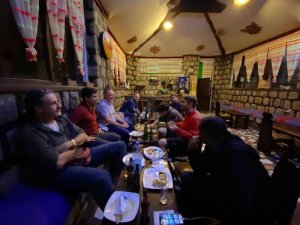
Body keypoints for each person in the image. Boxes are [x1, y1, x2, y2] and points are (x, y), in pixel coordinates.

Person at [16, 88, 127, 210]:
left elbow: (83, 134)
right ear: (38, 108)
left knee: (120, 146)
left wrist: (69, 144)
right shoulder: (29, 133)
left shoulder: (61, 120)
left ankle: (115, 182)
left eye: (58, 101)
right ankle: (113, 216)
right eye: (54, 103)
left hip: (78, 157)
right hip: (55, 173)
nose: (60, 105)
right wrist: (77, 146)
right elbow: (57, 162)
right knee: (102, 177)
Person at [181, 117, 273, 225]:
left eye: (199, 131)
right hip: (225, 185)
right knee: (186, 178)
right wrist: (193, 151)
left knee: (192, 189)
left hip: (251, 205)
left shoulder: (237, 154)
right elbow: (201, 170)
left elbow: (243, 195)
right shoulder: (214, 143)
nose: (197, 134)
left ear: (205, 134)